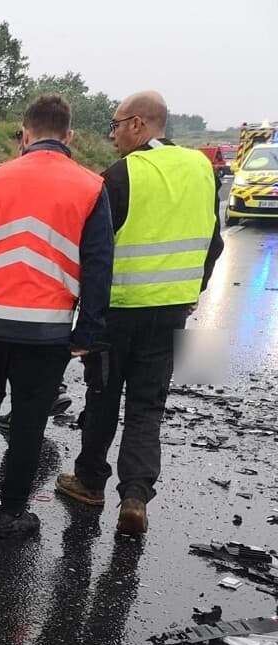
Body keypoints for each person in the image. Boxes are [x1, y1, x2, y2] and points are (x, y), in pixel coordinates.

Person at [0, 95, 114, 538]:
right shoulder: (91, 186)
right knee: (29, 417)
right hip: (47, 329)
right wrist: (88, 331)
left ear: (25, 133)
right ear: (69, 135)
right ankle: (13, 510)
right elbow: (99, 266)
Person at [55, 91, 223, 534]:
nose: (111, 135)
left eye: (115, 125)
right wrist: (194, 289)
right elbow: (214, 242)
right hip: (172, 314)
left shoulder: (121, 175)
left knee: (103, 398)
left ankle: (90, 481)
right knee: (149, 406)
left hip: (119, 313)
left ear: (138, 124)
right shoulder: (201, 169)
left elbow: (90, 249)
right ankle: (135, 496)